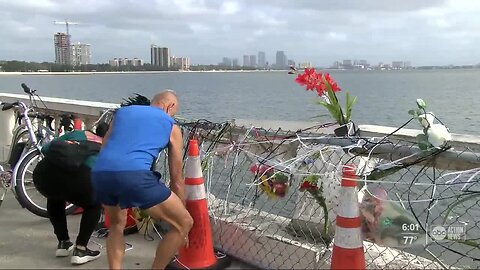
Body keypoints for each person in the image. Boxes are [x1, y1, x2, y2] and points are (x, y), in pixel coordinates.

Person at [91, 90, 193, 269]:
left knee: (116, 225)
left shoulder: (123, 113)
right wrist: (180, 217)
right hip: (135, 176)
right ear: (169, 107)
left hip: (101, 173)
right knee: (184, 223)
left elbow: (105, 145)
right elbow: (177, 178)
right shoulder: (171, 126)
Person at [32, 122, 110, 265]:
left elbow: (45, 148)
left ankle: (63, 243)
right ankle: (81, 249)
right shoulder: (108, 147)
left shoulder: (76, 133)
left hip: (44, 177)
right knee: (94, 204)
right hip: (80, 182)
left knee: (55, 196)